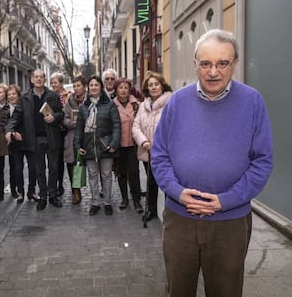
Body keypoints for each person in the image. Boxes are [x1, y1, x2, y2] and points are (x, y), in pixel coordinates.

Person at [151, 29, 273, 297]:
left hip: (230, 222)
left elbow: (262, 162)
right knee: (178, 290)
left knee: (226, 291)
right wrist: (178, 192)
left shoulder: (252, 102)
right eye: (205, 63)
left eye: (222, 63)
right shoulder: (176, 103)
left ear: (235, 64)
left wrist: (226, 200)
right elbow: (159, 157)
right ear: (195, 64)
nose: (213, 71)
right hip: (180, 219)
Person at [5, 69, 64, 211]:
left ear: (44, 79)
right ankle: (43, 197)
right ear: (32, 79)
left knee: (54, 168)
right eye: (36, 77)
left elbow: (61, 113)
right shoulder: (25, 97)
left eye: (41, 77)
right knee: (40, 170)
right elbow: (16, 115)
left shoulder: (52, 95)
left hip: (51, 137)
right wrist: (9, 129)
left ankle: (53, 195)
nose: (38, 79)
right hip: (35, 139)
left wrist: (54, 117)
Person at [74, 75, 121, 216]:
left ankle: (107, 202)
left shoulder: (110, 105)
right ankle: (95, 202)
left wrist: (114, 143)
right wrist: (77, 145)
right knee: (92, 175)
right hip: (89, 146)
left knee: (106, 175)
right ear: (89, 88)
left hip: (105, 145)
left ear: (101, 87)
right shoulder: (84, 107)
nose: (94, 87)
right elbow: (79, 129)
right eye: (91, 85)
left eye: (96, 85)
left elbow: (116, 125)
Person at [132, 71, 172, 222]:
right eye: (150, 85)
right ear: (146, 88)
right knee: (151, 182)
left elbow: (174, 128)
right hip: (147, 151)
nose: (154, 87)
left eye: (156, 84)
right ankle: (151, 210)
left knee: (168, 182)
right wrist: (144, 142)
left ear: (162, 86)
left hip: (165, 153)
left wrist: (159, 145)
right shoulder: (143, 106)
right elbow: (135, 127)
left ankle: (170, 214)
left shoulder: (171, 103)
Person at [2, 84, 38, 203]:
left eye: (14, 94)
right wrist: (13, 134)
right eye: (9, 95)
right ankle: (21, 192)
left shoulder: (26, 104)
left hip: (28, 141)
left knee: (33, 168)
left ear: (18, 95)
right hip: (15, 143)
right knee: (18, 168)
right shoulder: (6, 109)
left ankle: (31, 191)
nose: (11, 96)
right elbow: (5, 124)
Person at [112, 77, 143, 213]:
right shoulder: (112, 105)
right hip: (118, 145)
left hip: (133, 145)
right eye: (120, 87)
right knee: (121, 173)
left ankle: (136, 200)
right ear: (116, 90)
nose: (123, 90)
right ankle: (124, 198)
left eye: (125, 87)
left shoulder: (137, 105)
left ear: (129, 89)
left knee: (134, 172)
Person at [62, 75, 87, 204]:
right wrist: (71, 123)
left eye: (79, 86)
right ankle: (75, 192)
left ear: (84, 87)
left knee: (91, 166)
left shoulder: (89, 100)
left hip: (87, 136)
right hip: (72, 136)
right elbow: (64, 117)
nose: (76, 89)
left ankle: (98, 193)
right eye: (74, 86)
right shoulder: (69, 101)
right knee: (73, 165)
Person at [50, 72, 70, 196]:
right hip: (55, 131)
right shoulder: (50, 96)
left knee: (68, 159)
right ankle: (59, 184)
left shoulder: (68, 96)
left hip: (67, 131)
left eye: (55, 82)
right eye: (52, 83)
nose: (53, 85)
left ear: (61, 83)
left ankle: (73, 188)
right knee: (56, 160)